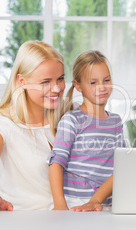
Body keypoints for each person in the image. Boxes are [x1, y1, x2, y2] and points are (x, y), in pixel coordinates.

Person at [0, 40, 66, 212]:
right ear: (22, 81)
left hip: (67, 219)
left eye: (60, 79)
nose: (56, 89)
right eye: (45, 82)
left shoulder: (68, 118)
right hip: (18, 220)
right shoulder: (0, 122)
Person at [48, 50, 125, 212]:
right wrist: (60, 205)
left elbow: (121, 166)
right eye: (93, 82)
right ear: (77, 86)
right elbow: (56, 164)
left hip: (106, 203)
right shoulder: (72, 120)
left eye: (106, 80)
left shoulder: (116, 122)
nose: (102, 87)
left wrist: (98, 200)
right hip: (74, 203)